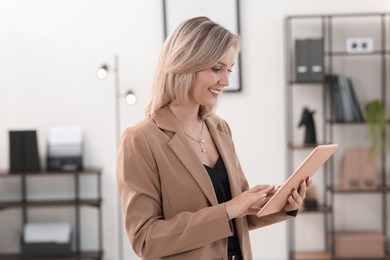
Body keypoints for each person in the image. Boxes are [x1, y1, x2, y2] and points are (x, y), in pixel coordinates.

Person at [116, 16, 311, 260]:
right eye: (217, 69)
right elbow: (145, 239)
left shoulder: (220, 129)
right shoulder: (140, 139)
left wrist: (283, 204)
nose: (226, 81)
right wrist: (227, 210)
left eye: (229, 70)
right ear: (185, 63)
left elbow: (240, 213)